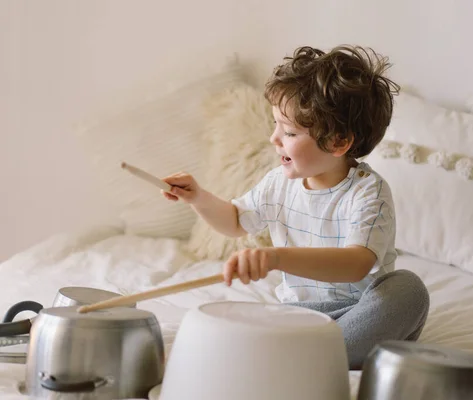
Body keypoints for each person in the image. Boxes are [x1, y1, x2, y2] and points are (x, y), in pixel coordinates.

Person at [162, 45, 430, 369]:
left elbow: (356, 264)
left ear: (338, 142)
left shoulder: (368, 193)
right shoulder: (279, 183)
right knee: (228, 331)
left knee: (409, 290)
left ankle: (319, 356)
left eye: (289, 131)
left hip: (358, 312)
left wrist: (276, 258)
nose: (275, 138)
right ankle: (310, 354)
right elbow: (235, 221)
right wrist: (198, 197)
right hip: (297, 317)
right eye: (276, 125)